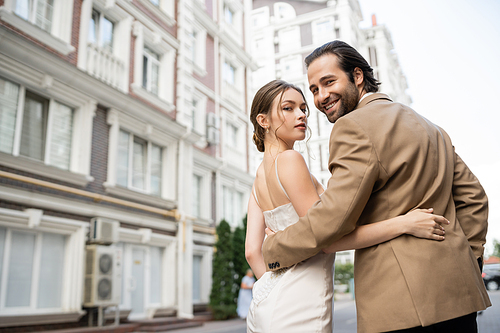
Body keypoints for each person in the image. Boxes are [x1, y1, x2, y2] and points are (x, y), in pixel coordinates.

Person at [261, 41, 491, 333]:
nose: (321, 97)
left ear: (358, 76)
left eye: (329, 82)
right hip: (459, 296)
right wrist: (467, 259)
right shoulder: (432, 128)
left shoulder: (353, 127)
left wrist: (273, 249)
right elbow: (474, 199)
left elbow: (332, 219)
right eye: (314, 89)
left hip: (401, 305)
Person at [245, 79, 450, 332]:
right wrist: (405, 223)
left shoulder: (258, 177)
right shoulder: (290, 160)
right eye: (288, 108)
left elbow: (253, 252)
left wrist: (274, 290)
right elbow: (327, 240)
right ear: (263, 120)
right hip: (300, 302)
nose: (301, 115)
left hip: (265, 302)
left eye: (302, 108)